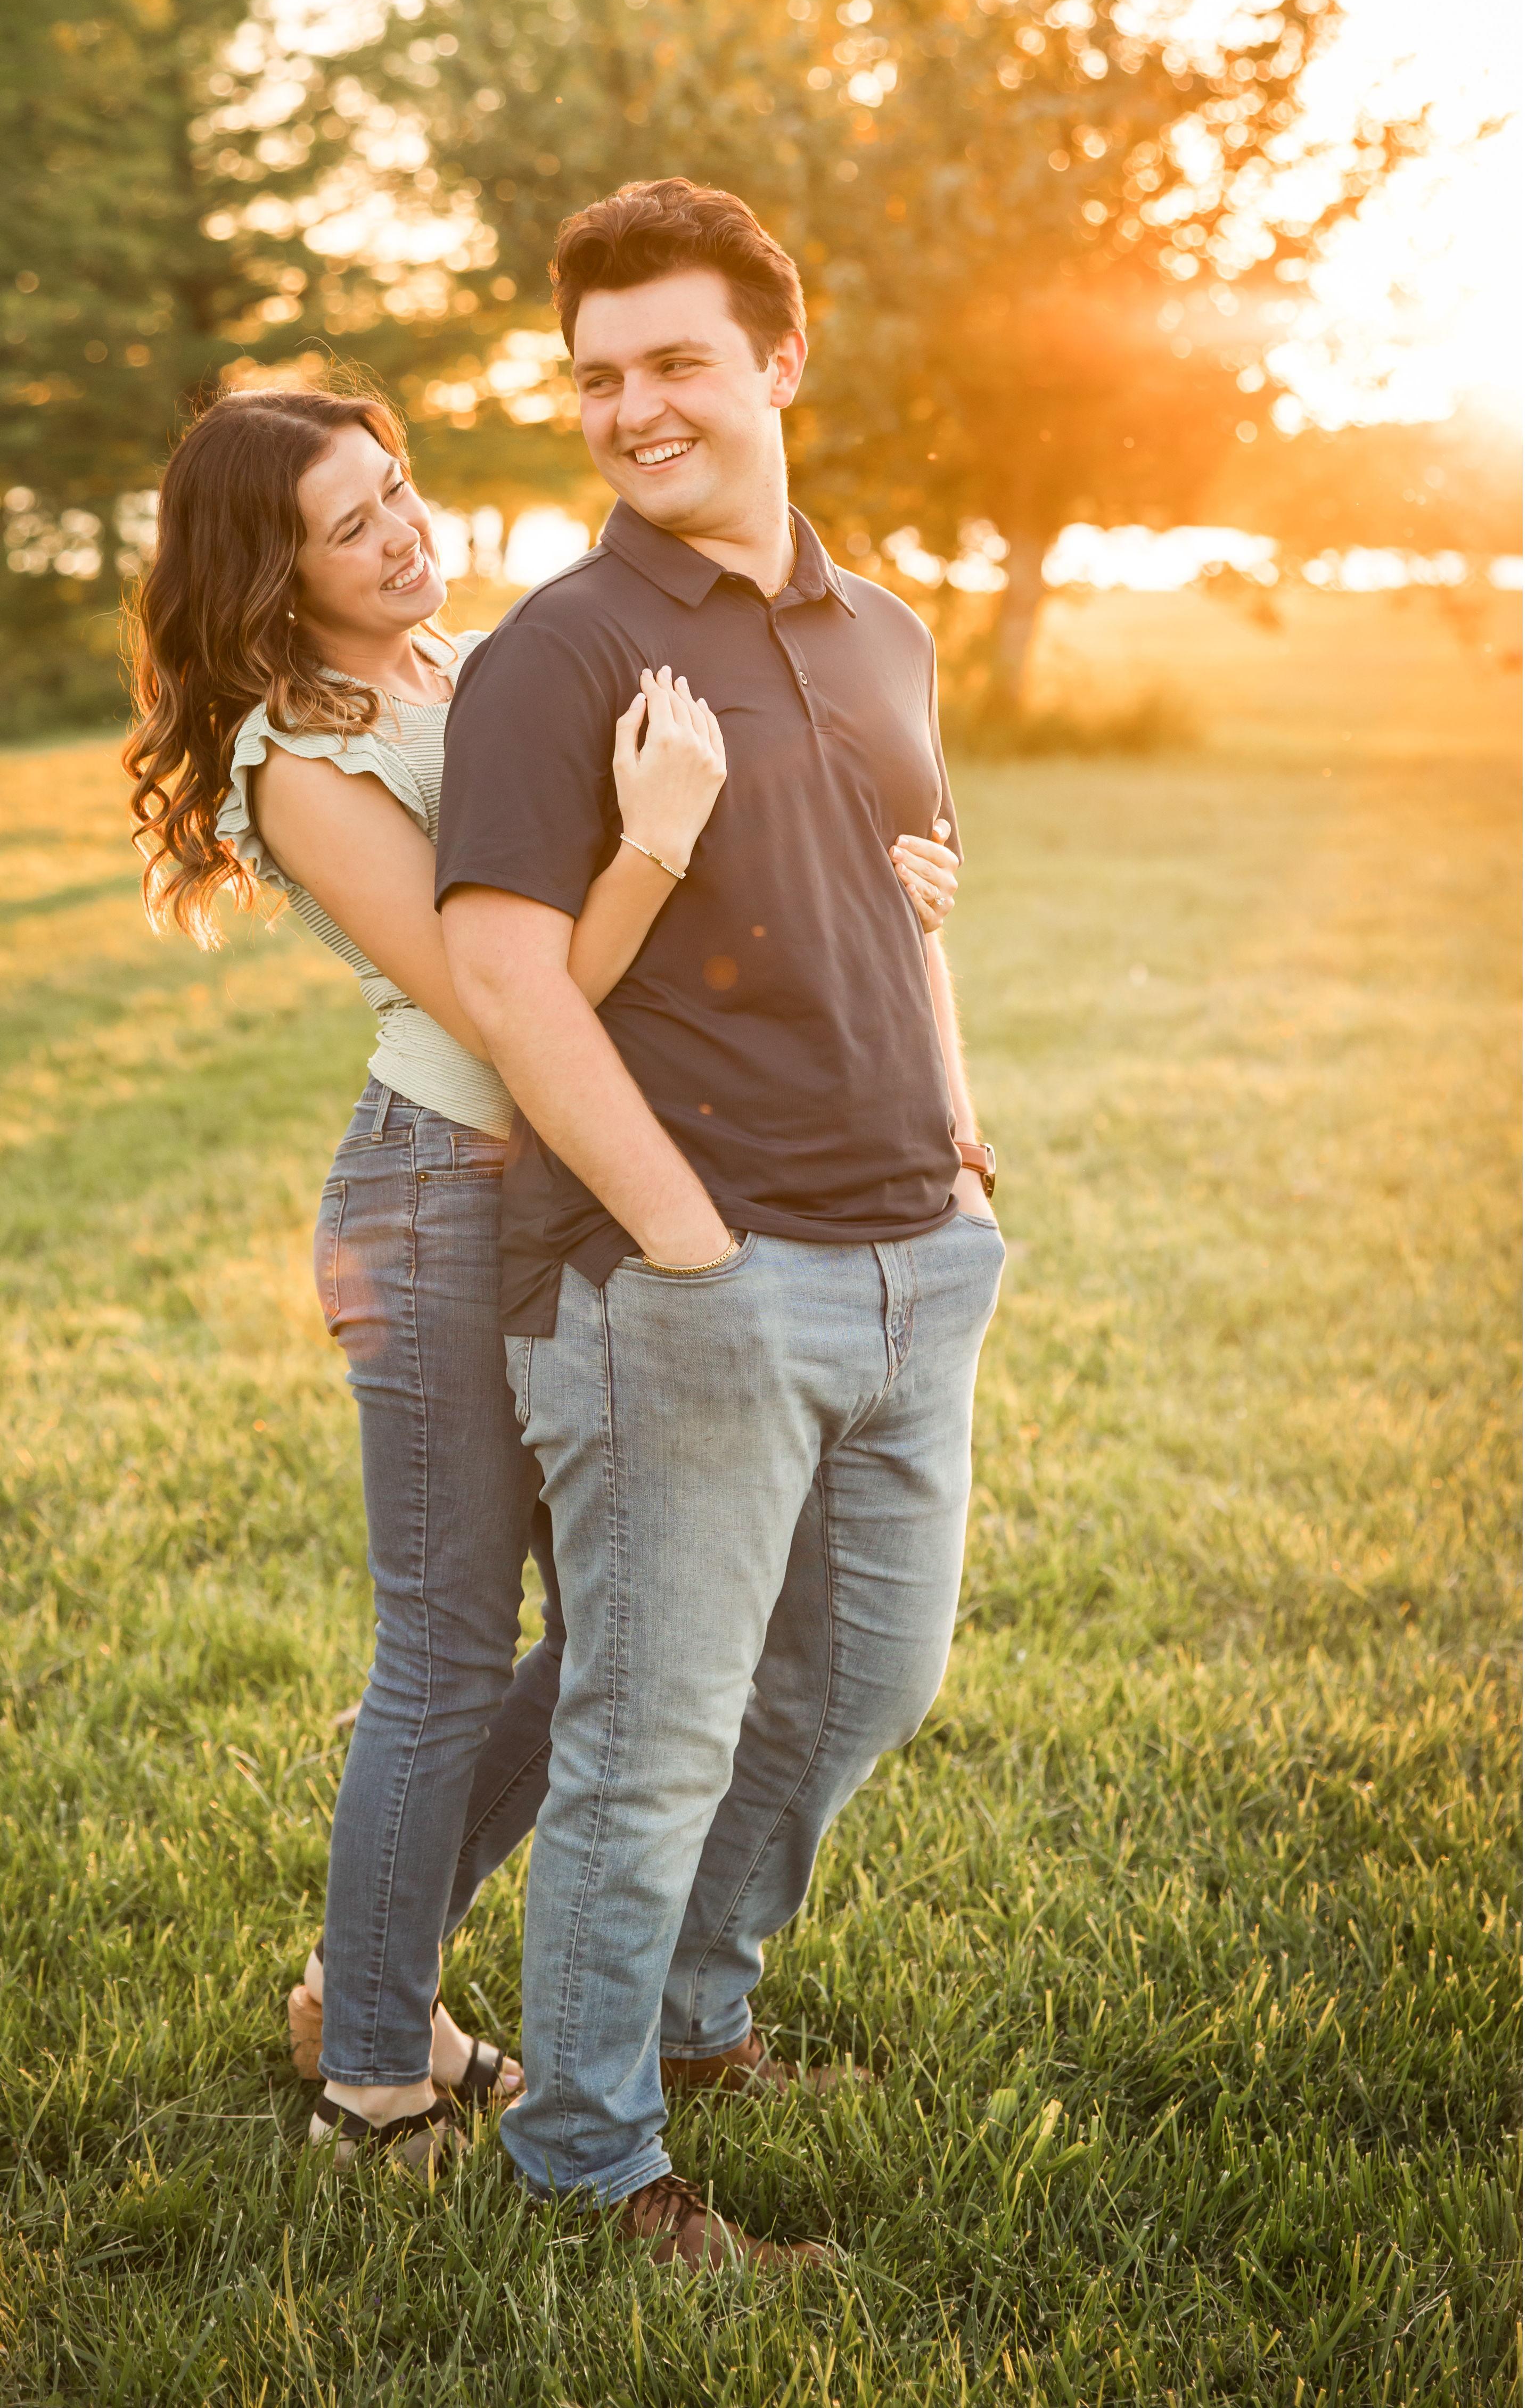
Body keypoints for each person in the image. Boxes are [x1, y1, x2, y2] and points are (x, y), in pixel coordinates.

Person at [120, 379, 963, 2176]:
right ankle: (373, 2079)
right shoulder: (304, 761)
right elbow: (517, 998)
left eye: (398, 489)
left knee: (604, 1639)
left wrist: (880, 875)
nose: (402, 534)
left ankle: (364, 1976)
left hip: (567, 1187)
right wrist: (655, 838)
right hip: (440, 1191)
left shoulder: (471, 668)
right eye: (349, 526)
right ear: (271, 574)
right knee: (445, 1648)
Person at [436, 179, 1005, 2271]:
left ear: (780, 360)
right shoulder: (561, 652)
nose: (633, 409)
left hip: (915, 1255)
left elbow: (911, 903)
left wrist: (965, 1148)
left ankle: (693, 2021)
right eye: (597, 376)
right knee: (648, 1741)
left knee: (864, 1685)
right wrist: (689, 1246)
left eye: (675, 361)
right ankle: (588, 2162)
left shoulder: (885, 633)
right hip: (683, 1282)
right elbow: (506, 982)